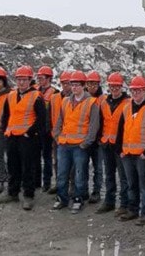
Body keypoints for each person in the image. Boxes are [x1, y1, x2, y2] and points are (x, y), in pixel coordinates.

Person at [0, 65, 46, 211]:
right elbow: (6, 115)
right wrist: (6, 129)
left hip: (27, 138)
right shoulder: (11, 95)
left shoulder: (36, 96)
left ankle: (28, 195)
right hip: (12, 137)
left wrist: (30, 133)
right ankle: (12, 192)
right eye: (19, 79)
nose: (21, 82)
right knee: (12, 166)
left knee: (28, 167)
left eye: (24, 80)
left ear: (30, 80)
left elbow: (41, 119)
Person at [52, 71, 100, 214]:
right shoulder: (65, 101)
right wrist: (57, 136)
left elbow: (94, 126)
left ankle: (78, 199)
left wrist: (86, 143)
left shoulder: (92, 102)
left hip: (80, 145)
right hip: (64, 144)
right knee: (62, 173)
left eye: (77, 85)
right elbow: (60, 121)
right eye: (72, 84)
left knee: (80, 174)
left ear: (83, 86)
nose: (74, 87)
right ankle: (62, 198)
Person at [119, 76, 145, 225]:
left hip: (142, 155)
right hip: (127, 153)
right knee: (131, 183)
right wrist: (120, 149)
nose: (135, 93)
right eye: (133, 90)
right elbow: (121, 130)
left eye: (138, 90)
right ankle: (133, 210)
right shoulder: (126, 108)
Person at [96, 72, 131, 216]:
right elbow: (100, 121)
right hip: (106, 143)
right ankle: (109, 202)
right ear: (109, 87)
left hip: (120, 145)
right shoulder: (103, 102)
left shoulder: (127, 103)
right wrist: (100, 138)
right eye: (112, 86)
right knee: (109, 174)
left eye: (117, 86)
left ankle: (124, 204)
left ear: (121, 87)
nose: (114, 89)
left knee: (124, 176)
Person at [47, 70, 72, 195]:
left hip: (71, 137)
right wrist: (52, 133)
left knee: (72, 165)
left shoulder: (77, 98)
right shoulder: (54, 98)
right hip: (56, 136)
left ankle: (72, 187)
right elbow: (49, 116)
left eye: (68, 83)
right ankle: (59, 184)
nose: (66, 86)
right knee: (57, 162)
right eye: (64, 83)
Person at [36, 66, 59, 192]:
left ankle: (47, 182)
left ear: (49, 78)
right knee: (35, 157)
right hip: (36, 130)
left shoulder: (55, 93)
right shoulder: (35, 90)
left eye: (42, 78)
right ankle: (37, 181)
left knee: (47, 157)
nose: (39, 80)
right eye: (38, 78)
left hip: (47, 130)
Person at [85, 70, 105, 204]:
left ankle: (96, 191)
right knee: (83, 166)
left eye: (94, 84)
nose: (92, 87)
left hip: (98, 141)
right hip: (85, 139)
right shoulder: (83, 98)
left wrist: (99, 137)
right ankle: (83, 190)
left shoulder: (103, 99)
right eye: (89, 84)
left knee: (98, 168)